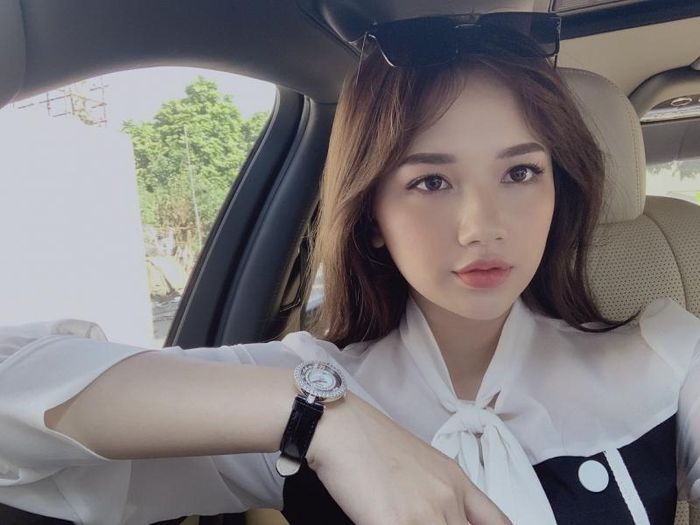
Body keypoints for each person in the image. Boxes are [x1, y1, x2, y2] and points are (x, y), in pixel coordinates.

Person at [0, 13, 698, 525]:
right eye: (430, 181)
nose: (481, 226)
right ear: (371, 217)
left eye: (520, 172)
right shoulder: (314, 381)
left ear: (559, 189)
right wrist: (320, 420)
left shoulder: (665, 357)